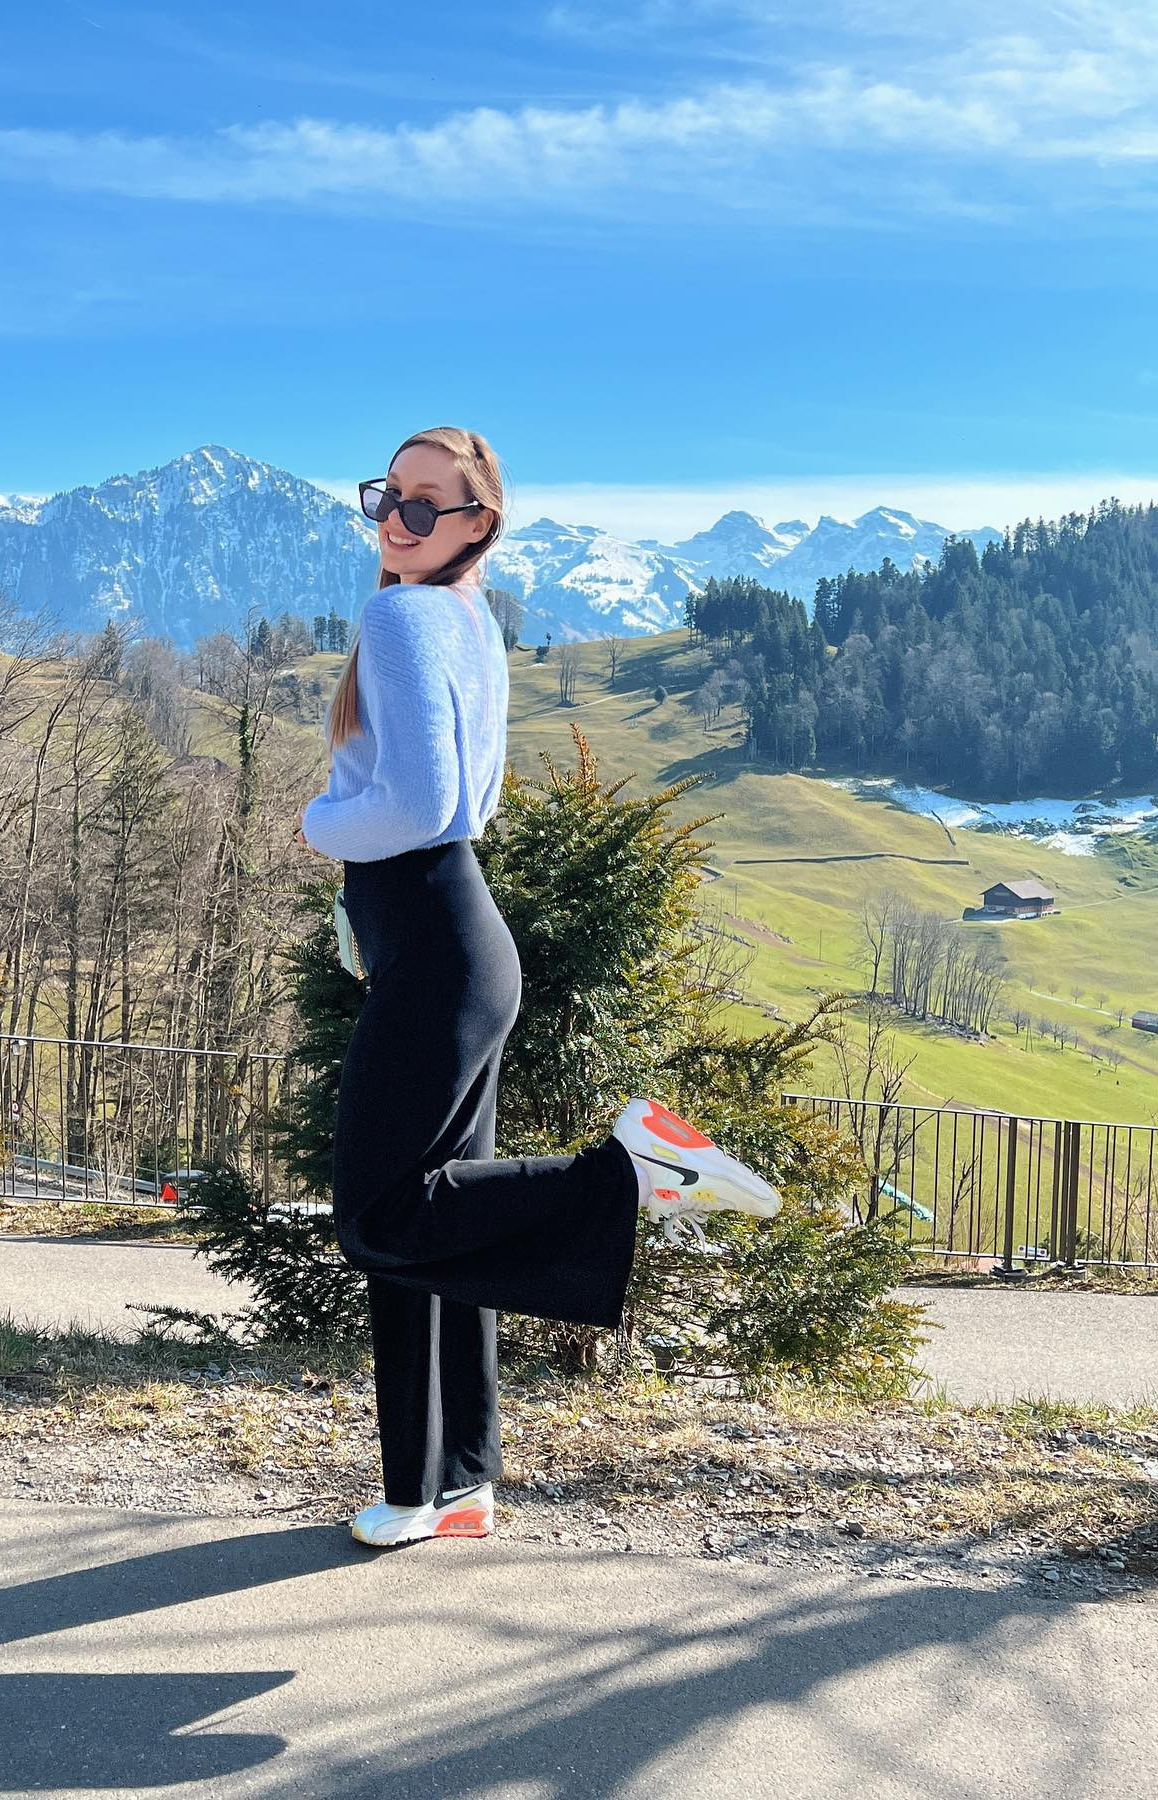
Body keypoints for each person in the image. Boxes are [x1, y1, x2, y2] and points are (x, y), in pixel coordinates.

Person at [297, 426, 780, 1549]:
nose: (396, 520)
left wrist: (319, 823)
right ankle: (443, 1485)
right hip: (453, 937)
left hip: (436, 938)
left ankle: (630, 1170)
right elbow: (473, 803)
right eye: (387, 496)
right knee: (436, 1231)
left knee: (380, 1216)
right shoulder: (468, 618)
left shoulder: (401, 619)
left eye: (426, 505)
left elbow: (421, 808)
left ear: (479, 524)